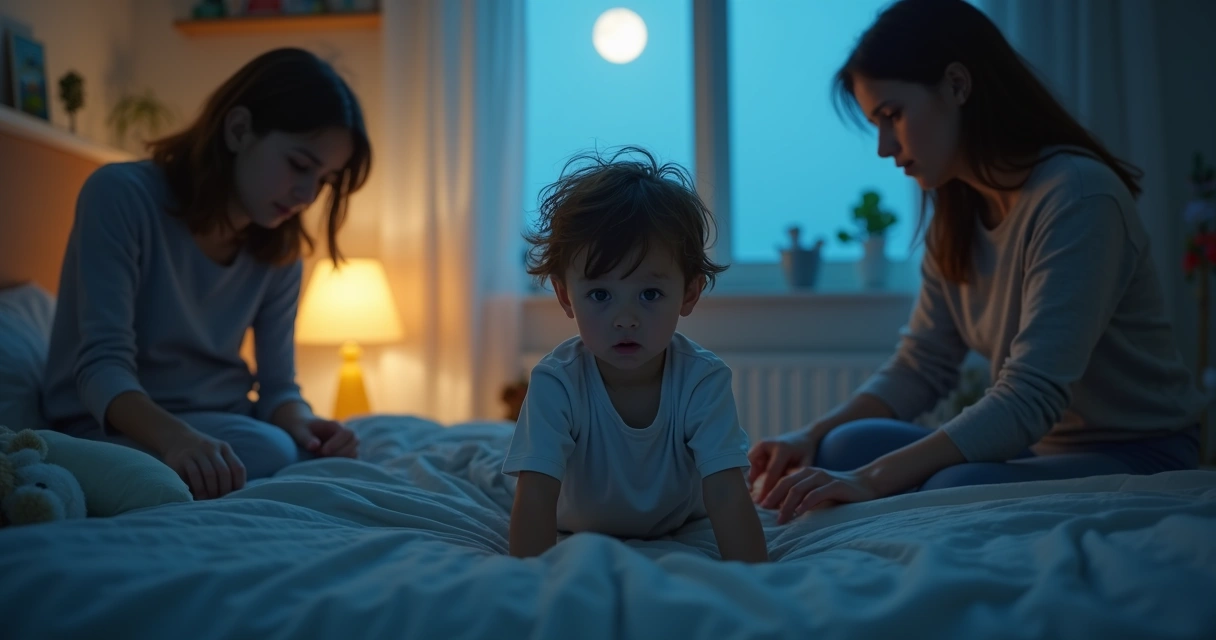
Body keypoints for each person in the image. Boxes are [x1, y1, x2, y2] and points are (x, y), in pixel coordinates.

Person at [749, 0, 1205, 525]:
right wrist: (807, 435)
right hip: (1044, 449)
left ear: (957, 85)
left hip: (1141, 452)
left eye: (892, 115)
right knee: (842, 445)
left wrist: (871, 479)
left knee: (953, 485)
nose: (883, 147)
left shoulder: (1079, 197)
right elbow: (922, 364)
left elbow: (1029, 396)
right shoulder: (957, 210)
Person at [42, 48, 372, 500]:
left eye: (324, 180)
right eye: (299, 165)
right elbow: (102, 369)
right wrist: (177, 440)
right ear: (238, 130)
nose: (307, 194)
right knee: (271, 451)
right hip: (109, 423)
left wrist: (306, 426)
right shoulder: (120, 196)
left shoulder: (281, 250)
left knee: (295, 449)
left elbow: (278, 387)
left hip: (222, 421)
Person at [503, 147, 768, 563]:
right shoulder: (557, 381)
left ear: (689, 293)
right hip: (574, 521)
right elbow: (535, 495)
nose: (625, 320)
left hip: (678, 518)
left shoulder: (702, 378)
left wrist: (759, 582)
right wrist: (527, 584)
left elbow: (726, 493)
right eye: (600, 295)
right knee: (500, 467)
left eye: (649, 294)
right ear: (565, 295)